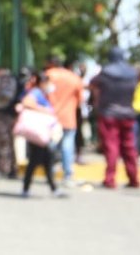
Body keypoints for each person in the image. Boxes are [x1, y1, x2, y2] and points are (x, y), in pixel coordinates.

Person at [89, 47, 140, 189]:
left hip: (108, 115)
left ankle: (110, 179)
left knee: (111, 147)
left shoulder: (105, 72)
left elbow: (92, 84)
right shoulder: (133, 73)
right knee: (129, 147)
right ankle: (134, 178)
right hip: (128, 114)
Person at [19, 70, 66, 198]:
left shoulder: (40, 93)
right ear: (43, 82)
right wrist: (44, 111)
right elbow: (27, 103)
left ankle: (50, 188)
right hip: (38, 134)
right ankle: (29, 188)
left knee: (44, 161)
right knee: (38, 161)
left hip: (40, 134)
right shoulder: (36, 92)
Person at [45, 55, 84, 186]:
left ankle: (49, 172)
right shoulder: (74, 77)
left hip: (50, 116)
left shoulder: (48, 75)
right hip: (68, 117)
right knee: (68, 146)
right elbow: (80, 100)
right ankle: (68, 175)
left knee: (51, 145)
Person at [0, 66, 21, 179]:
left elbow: (6, 96)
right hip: (7, 114)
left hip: (4, 114)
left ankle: (5, 168)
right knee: (7, 142)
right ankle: (10, 168)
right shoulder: (8, 80)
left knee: (3, 142)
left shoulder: (5, 80)